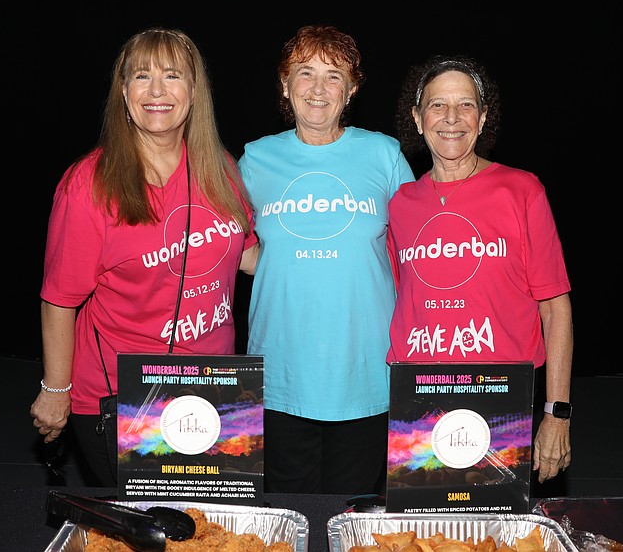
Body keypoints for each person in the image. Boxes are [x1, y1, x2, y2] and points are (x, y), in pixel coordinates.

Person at [29, 27, 259, 487]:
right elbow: (59, 299)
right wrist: (56, 390)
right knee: (146, 529)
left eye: (172, 75)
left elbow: (248, 257)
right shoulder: (89, 186)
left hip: (216, 390)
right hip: (124, 399)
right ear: (124, 93)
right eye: (141, 76)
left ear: (194, 93)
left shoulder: (220, 169)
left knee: (209, 524)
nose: (157, 91)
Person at [238, 24, 415, 495]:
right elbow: (230, 247)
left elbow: (419, 250)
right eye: (305, 73)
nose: (318, 89)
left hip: (365, 372)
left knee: (349, 518)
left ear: (352, 88)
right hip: (280, 373)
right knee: (289, 515)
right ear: (284, 84)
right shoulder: (256, 159)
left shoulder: (384, 154)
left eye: (334, 76)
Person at [386, 55, 574, 495]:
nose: (451, 118)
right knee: (420, 536)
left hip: (501, 402)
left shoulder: (522, 190)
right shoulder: (401, 205)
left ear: (483, 116)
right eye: (436, 105)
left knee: (494, 537)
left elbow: (555, 307)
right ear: (416, 118)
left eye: (465, 105)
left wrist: (557, 411)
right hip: (418, 407)